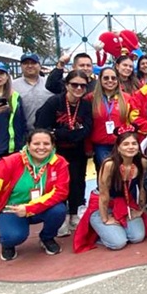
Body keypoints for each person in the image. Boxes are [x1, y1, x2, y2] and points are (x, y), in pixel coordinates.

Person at [0, 128, 69, 261]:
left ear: (53, 146)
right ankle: (8, 244)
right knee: (13, 236)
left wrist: (28, 209)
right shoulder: (8, 163)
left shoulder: (59, 163)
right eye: (36, 144)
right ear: (28, 145)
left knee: (59, 210)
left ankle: (47, 238)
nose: (41, 148)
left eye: (46, 144)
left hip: (37, 209)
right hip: (11, 210)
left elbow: (61, 192)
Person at [34, 70, 93, 237]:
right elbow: (42, 127)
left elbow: (87, 129)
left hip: (77, 150)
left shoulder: (86, 105)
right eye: (75, 84)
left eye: (82, 85)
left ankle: (75, 214)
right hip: (56, 152)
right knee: (58, 184)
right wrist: (66, 133)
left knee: (77, 182)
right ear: (67, 85)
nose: (79, 88)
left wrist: (60, 132)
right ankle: (60, 217)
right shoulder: (54, 102)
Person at [75, 131, 147, 251]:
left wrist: (140, 210)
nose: (131, 147)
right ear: (118, 147)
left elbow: (143, 188)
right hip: (103, 205)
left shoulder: (142, 162)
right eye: (126, 144)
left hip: (125, 203)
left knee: (137, 237)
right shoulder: (109, 164)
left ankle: (115, 230)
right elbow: (103, 194)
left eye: (134, 143)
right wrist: (105, 218)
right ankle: (100, 230)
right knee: (118, 243)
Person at [90, 66, 132, 169]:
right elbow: (88, 124)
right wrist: (88, 147)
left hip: (122, 143)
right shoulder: (91, 98)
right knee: (107, 174)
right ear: (100, 80)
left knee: (122, 175)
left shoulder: (127, 98)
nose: (110, 81)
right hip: (101, 145)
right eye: (106, 78)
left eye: (113, 78)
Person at [11, 53, 52, 128]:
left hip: (48, 131)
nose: (29, 66)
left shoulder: (50, 84)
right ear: (21, 66)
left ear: (39, 65)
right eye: (25, 63)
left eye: (33, 63)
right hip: (24, 132)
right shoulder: (12, 86)